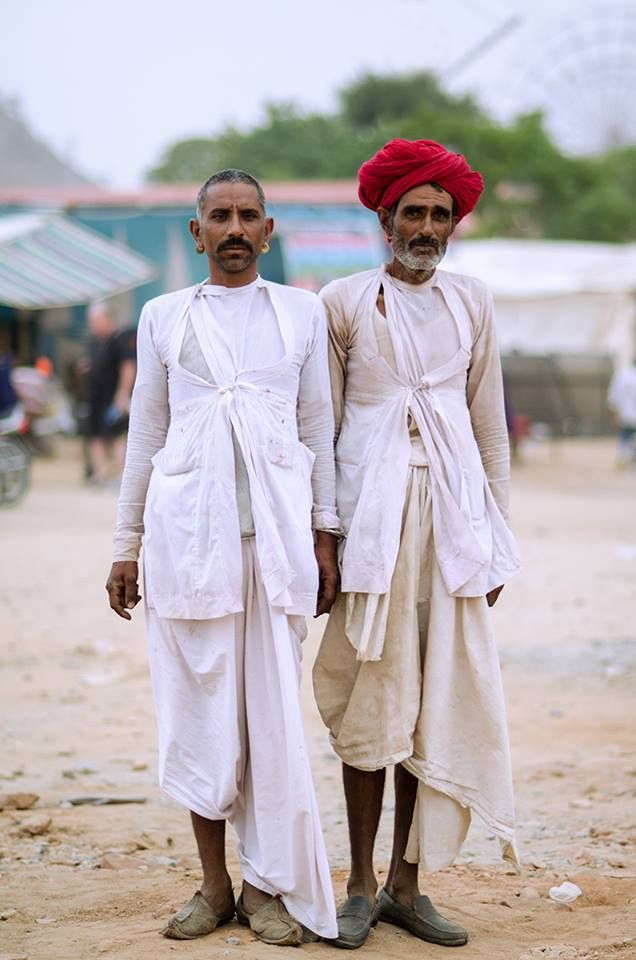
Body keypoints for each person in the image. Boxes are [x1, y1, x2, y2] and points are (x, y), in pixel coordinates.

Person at [105, 169, 340, 947]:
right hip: (186, 547)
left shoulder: (301, 314)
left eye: (248, 217)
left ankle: (268, 888)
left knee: (271, 723)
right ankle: (213, 887)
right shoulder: (162, 317)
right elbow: (146, 433)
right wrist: (125, 545)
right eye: (220, 217)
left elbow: (316, 430)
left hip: (274, 550)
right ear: (195, 232)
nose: (234, 230)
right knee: (201, 717)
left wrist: (325, 534)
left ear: (268, 231)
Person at [312, 138, 521, 949]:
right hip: (370, 528)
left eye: (441, 214)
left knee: (434, 703)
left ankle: (408, 884)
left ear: (454, 223)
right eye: (413, 213)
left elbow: (489, 425)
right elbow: (320, 429)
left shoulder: (474, 302)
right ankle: (358, 884)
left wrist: (494, 536)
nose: (427, 226)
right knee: (374, 699)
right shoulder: (344, 301)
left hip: (455, 524)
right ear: (385, 218)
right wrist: (324, 539)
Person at [81, 301, 136, 483]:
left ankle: (122, 475)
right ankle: (100, 473)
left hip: (113, 397)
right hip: (95, 397)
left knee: (116, 436)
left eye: (95, 320)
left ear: (106, 318)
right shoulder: (95, 342)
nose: (93, 325)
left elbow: (128, 367)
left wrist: (122, 394)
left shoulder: (119, 340)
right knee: (94, 435)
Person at [607, 358, 636, 467]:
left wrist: (612, 414)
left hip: (626, 414)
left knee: (625, 437)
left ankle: (623, 457)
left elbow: (613, 398)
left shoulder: (623, 375)